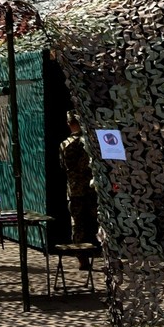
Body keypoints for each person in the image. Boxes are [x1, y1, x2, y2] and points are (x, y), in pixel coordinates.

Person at [59, 111, 99, 269]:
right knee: (99, 221)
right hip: (93, 188)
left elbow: (63, 166)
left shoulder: (65, 144)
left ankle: (82, 259)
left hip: (75, 190)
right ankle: (105, 254)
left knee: (78, 224)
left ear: (69, 124)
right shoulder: (91, 142)